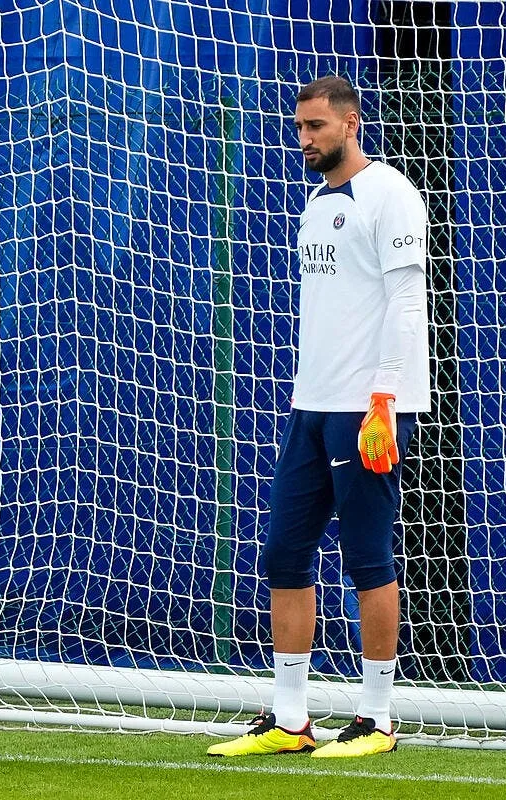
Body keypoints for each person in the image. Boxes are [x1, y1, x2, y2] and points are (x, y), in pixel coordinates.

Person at [208, 75, 430, 759]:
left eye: (315, 127)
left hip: (367, 409)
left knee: (367, 557)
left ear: (351, 123)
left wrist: (385, 398)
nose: (303, 138)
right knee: (283, 553)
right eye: (299, 127)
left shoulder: (390, 193)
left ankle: (377, 719)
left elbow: (407, 301)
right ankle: (290, 719)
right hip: (310, 406)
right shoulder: (314, 201)